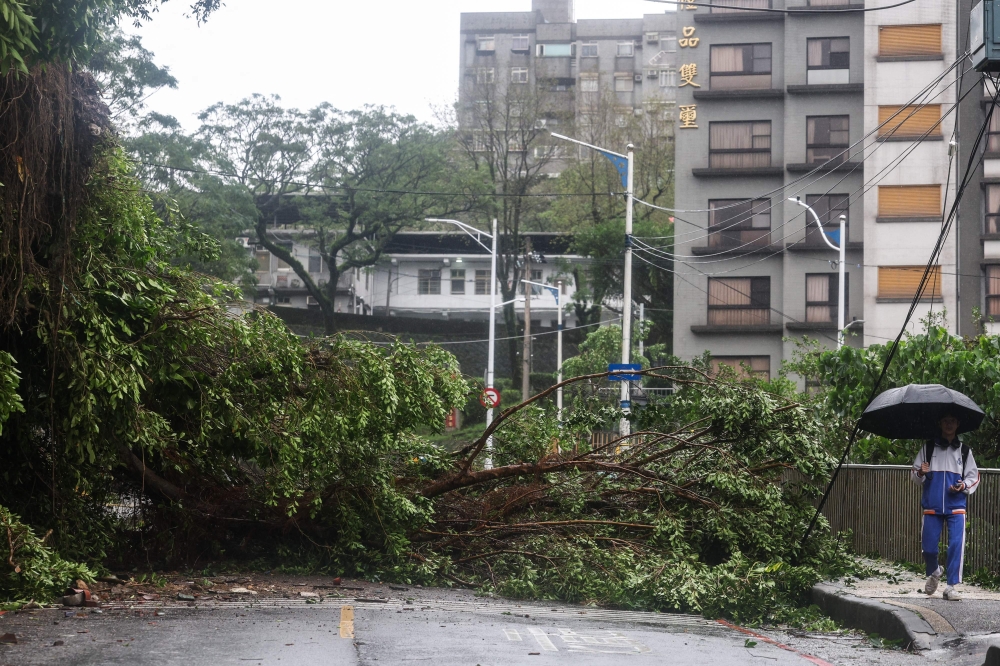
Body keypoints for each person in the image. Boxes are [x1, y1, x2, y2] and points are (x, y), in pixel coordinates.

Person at [911, 413, 980, 601]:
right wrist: (921, 472)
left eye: (953, 421)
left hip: (956, 505)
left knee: (956, 545)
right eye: (945, 421)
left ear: (958, 424)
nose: (949, 424)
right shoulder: (928, 448)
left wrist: (963, 486)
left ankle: (951, 587)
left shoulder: (965, 451)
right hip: (931, 506)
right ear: (940, 423)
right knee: (928, 549)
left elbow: (974, 477)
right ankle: (935, 571)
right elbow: (915, 478)